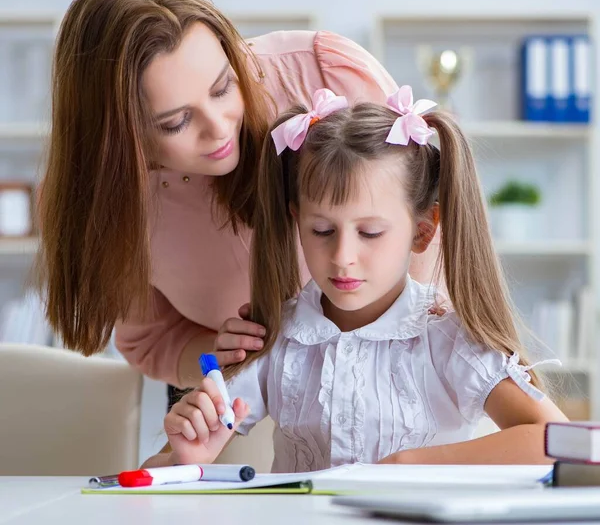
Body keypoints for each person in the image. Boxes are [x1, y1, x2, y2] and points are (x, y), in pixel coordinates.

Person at [37, 0, 441, 408]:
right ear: (117, 136)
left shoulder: (319, 75)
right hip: (246, 399)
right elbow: (154, 339)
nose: (219, 127)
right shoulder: (103, 201)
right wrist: (218, 354)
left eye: (223, 87)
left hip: (407, 377)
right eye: (175, 122)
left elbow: (425, 231)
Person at [148, 87, 567, 471]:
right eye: (322, 231)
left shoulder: (448, 338)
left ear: (422, 231)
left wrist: (408, 464)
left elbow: (558, 442)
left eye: (369, 233)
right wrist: (187, 458)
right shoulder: (275, 337)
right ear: (296, 219)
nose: (343, 258)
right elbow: (157, 475)